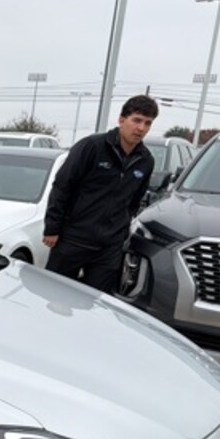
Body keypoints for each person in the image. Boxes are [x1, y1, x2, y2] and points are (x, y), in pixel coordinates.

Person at [42, 94, 158, 292]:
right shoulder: (92, 147)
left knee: (97, 304)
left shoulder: (146, 160)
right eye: (136, 120)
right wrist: (52, 228)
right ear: (122, 120)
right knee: (53, 296)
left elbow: (134, 201)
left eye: (148, 123)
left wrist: (120, 231)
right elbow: (62, 186)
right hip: (72, 239)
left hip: (109, 247)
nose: (141, 128)